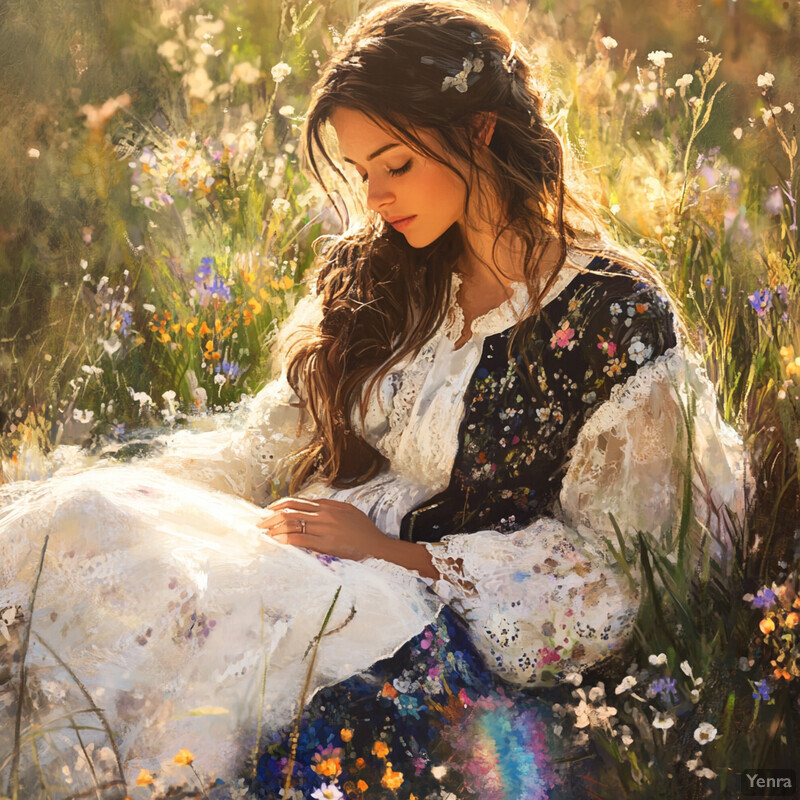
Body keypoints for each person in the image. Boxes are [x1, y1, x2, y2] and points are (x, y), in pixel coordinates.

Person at [0, 1, 747, 798]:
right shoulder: (384, 269)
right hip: (303, 552)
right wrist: (154, 496)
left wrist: (392, 552)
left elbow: (623, 569)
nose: (378, 197)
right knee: (79, 523)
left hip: (425, 608)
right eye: (363, 173)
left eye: (396, 164)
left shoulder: (606, 314)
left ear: (480, 132)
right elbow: (270, 443)